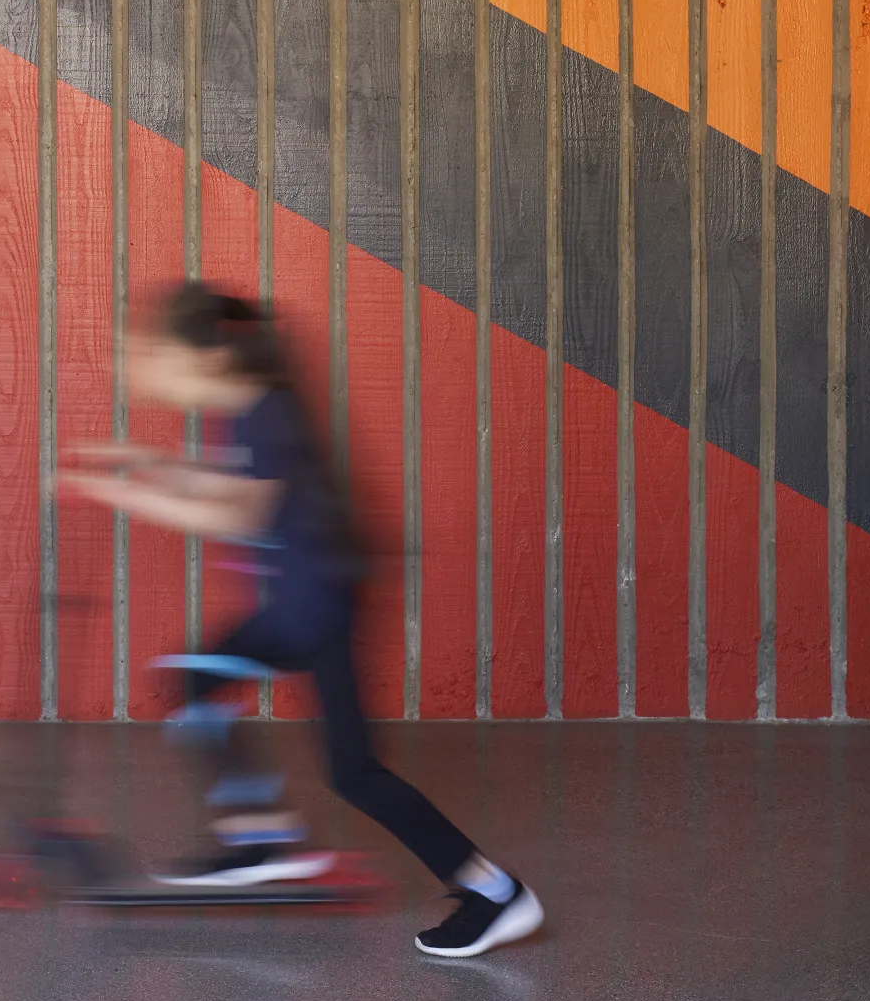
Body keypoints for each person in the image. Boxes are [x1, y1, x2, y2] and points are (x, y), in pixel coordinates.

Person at [60, 282, 543, 961]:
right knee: (197, 683)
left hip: (313, 613)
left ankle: (495, 891)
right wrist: (147, 463)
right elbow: (227, 484)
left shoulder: (268, 413)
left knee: (354, 773)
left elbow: (234, 513)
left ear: (208, 358)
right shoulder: (248, 410)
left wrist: (120, 491)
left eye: (153, 353)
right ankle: (260, 836)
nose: (141, 367)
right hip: (300, 606)